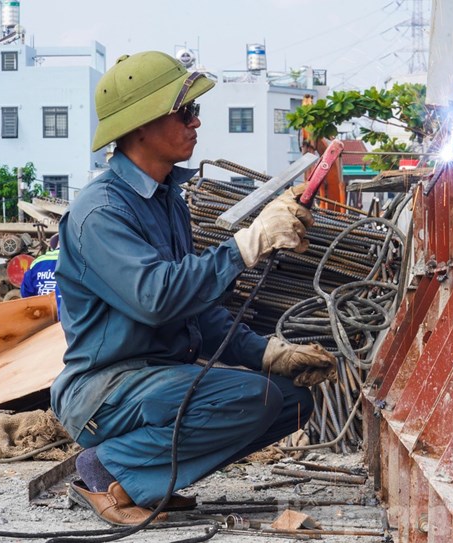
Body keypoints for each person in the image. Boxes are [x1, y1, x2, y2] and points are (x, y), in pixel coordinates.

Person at [51, 51, 337, 526]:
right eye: (183, 112)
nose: (196, 121)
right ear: (141, 125)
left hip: (155, 380)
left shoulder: (168, 203)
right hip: (106, 389)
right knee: (252, 397)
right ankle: (104, 471)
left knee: (292, 399)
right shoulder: (101, 212)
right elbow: (158, 299)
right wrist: (248, 245)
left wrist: (267, 353)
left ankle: (147, 480)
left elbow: (198, 313)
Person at [20, 233, 62, 312]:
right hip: (69, 320)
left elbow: (26, 293)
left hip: (43, 316)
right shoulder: (79, 263)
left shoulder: (37, 262)